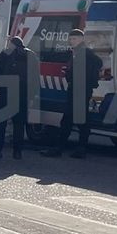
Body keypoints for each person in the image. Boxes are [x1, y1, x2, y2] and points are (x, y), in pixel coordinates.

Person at [45, 28, 103, 158]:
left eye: (74, 39)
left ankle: (62, 148)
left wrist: (71, 75)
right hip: (81, 89)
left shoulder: (84, 53)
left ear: (82, 39)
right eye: (70, 39)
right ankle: (76, 148)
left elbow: (92, 65)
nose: (72, 41)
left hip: (79, 90)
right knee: (77, 120)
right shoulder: (81, 52)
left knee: (70, 120)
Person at [0, 36, 31, 159]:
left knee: (0, 122)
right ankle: (17, 151)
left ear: (11, 44)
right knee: (19, 123)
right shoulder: (31, 55)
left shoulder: (5, 54)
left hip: (6, 92)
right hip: (22, 94)